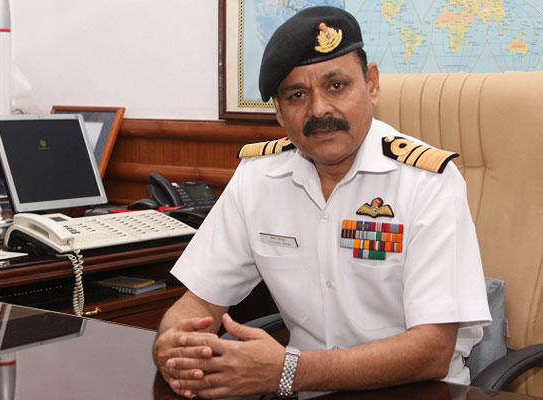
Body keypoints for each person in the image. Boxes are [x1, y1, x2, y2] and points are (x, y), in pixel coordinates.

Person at [153, 6, 491, 399]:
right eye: (297, 95)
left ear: (371, 84)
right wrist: (172, 342)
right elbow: (198, 301)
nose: (319, 110)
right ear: (279, 111)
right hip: (305, 389)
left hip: (417, 391)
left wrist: (288, 371)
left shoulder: (427, 182)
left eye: (336, 86)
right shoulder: (258, 178)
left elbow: (432, 351)